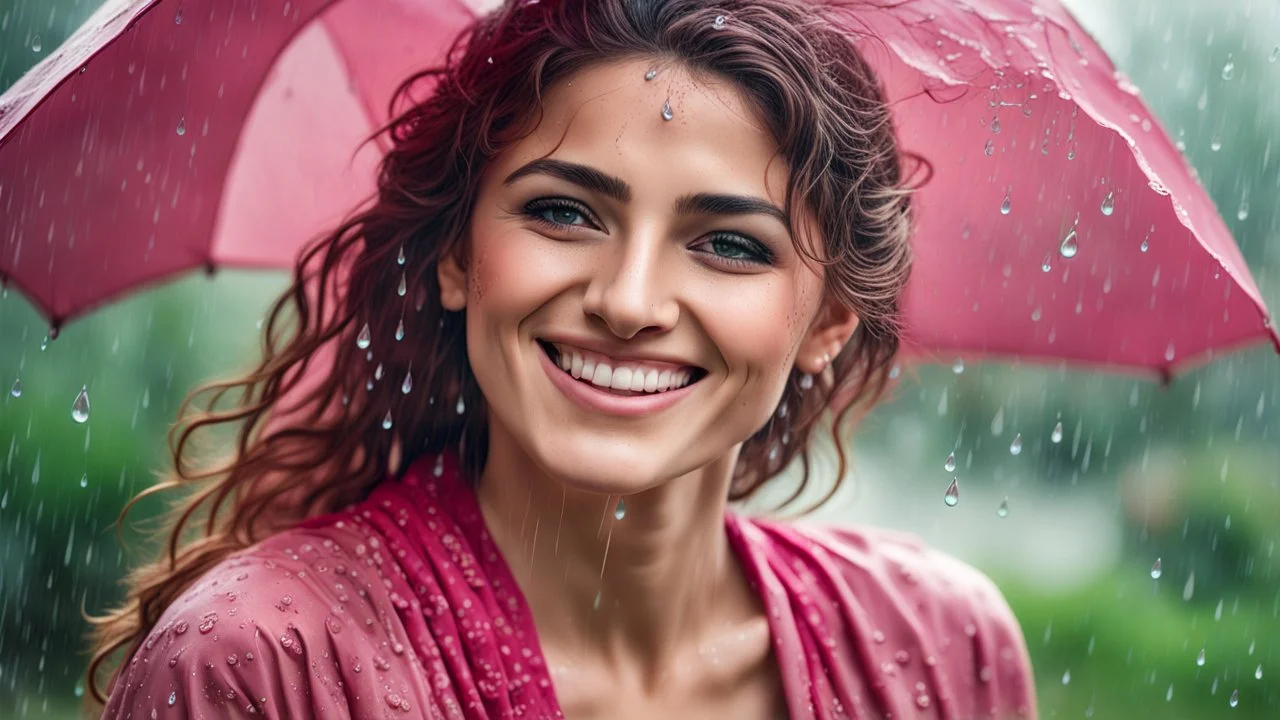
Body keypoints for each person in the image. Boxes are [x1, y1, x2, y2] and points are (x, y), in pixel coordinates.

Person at [90, 0, 1036, 717]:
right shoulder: (263, 665)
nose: (627, 302)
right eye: (564, 212)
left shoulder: (948, 651)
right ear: (459, 255)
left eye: (730, 244)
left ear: (828, 320)